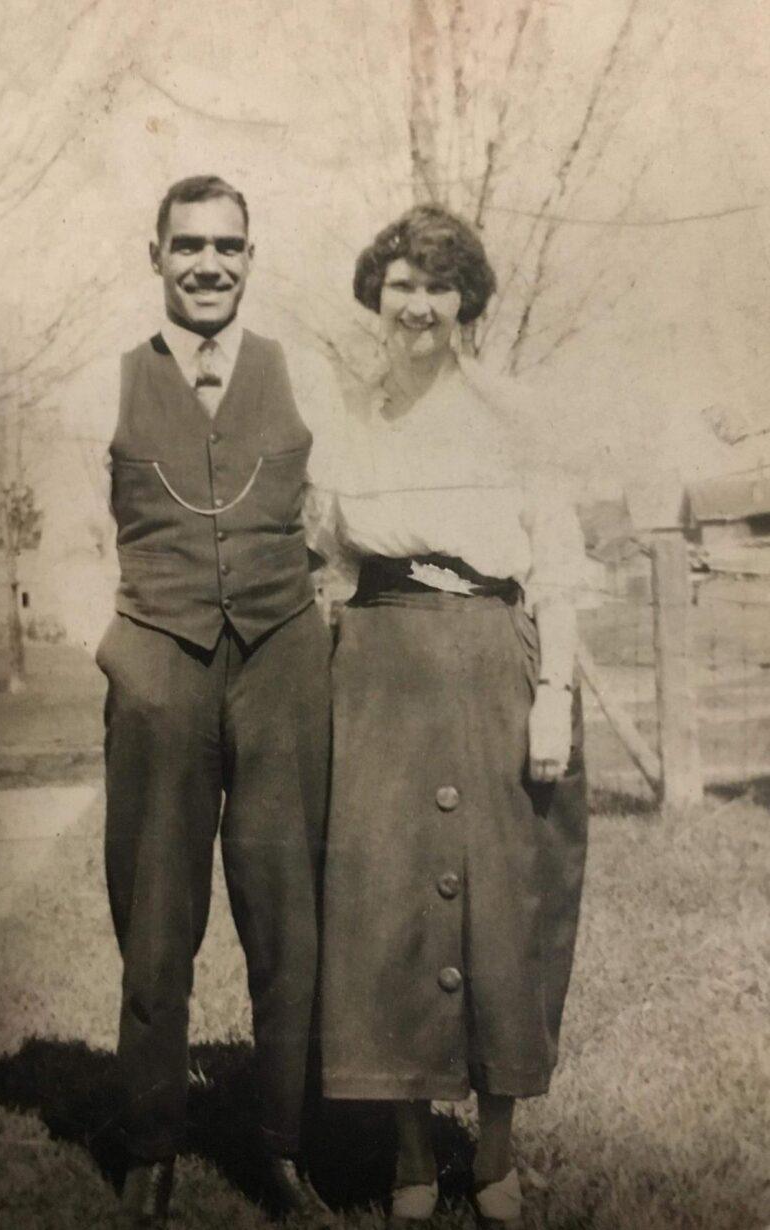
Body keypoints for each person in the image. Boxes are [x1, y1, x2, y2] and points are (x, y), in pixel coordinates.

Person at [316, 205, 589, 1229]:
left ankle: (500, 1153)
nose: (418, 304)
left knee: (502, 904)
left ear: (466, 300)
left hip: (490, 664)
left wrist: (552, 692)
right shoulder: (349, 420)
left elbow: (555, 564)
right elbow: (331, 564)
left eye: (438, 285)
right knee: (383, 908)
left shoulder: (515, 416)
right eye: (400, 283)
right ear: (375, 297)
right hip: (379, 669)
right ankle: (407, 1156)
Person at [95, 175, 336, 1225]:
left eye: (227, 247)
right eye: (187, 245)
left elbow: (335, 517)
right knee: (155, 913)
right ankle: (151, 1143)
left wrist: (306, 608)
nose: (207, 264)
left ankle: (282, 1145)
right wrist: (126, 655)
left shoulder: (300, 372)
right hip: (160, 658)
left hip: (282, 658)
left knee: (289, 913)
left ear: (250, 257)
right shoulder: (99, 380)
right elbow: (68, 528)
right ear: (153, 254)